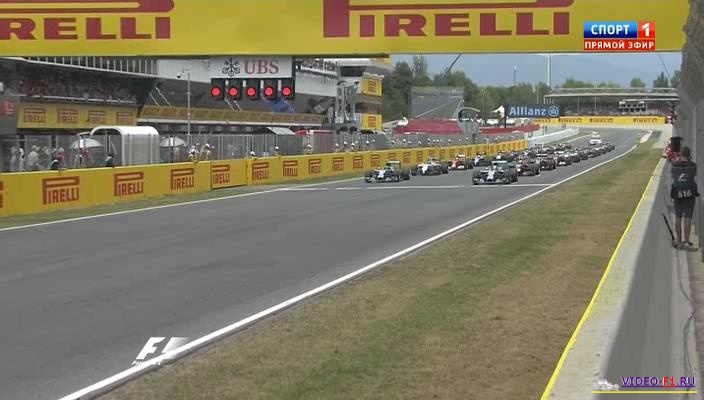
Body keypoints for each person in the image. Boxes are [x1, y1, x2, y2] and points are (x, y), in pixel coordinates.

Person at [671, 146, 699, 250]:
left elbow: (673, 176)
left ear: (681, 154)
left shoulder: (674, 165)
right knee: (688, 217)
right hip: (689, 194)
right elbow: (693, 175)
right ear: (689, 155)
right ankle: (686, 241)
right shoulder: (693, 166)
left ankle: (679, 241)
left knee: (678, 217)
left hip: (677, 194)